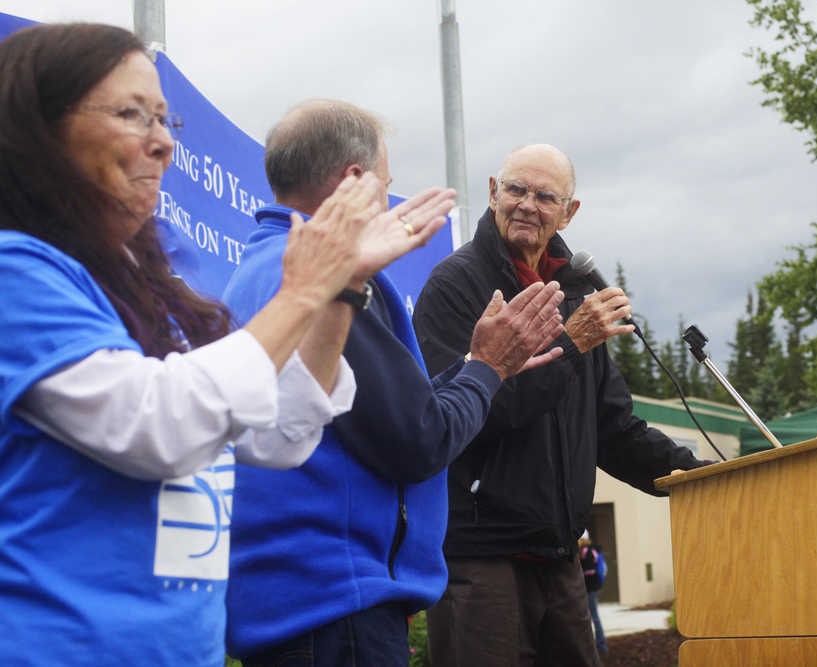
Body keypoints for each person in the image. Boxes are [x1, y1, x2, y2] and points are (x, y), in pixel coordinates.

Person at [0, 23, 424, 666]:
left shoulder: (140, 290)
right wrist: (304, 292)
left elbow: (271, 434)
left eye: (166, 120)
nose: (163, 143)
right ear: (40, 130)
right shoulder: (15, 272)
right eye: (131, 114)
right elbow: (161, 425)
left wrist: (347, 286)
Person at [222, 101, 567, 667]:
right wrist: (486, 370)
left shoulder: (258, 269)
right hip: (340, 609)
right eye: (386, 184)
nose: (388, 200)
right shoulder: (333, 280)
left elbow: (365, 413)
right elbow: (418, 440)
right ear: (353, 183)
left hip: (297, 608)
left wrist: (475, 367)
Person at [412, 143, 712, 666]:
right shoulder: (455, 286)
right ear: (492, 192)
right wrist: (570, 344)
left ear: (569, 212)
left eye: (545, 196)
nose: (528, 204)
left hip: (560, 557)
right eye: (516, 189)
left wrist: (699, 479)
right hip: (480, 560)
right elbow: (465, 414)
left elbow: (613, 429)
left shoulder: (576, 291)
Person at [578, 531, 608, 656]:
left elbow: (586, 572)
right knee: (593, 616)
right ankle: (600, 645)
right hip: (594, 587)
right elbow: (604, 569)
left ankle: (599, 646)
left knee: (590, 617)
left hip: (588, 588)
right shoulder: (594, 550)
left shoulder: (584, 552)